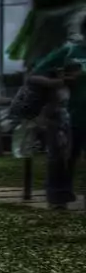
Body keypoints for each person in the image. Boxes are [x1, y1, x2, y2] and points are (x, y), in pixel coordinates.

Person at [24, 36, 86, 208]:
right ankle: (58, 198)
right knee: (62, 158)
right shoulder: (69, 51)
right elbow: (33, 76)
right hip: (67, 115)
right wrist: (59, 82)